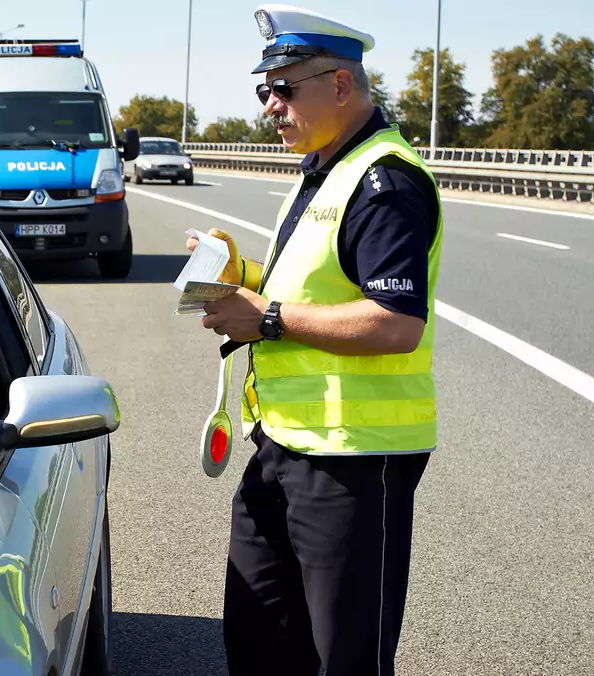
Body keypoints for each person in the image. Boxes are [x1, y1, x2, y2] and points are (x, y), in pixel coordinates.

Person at [190, 5, 444, 675]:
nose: (270, 105)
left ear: (340, 85)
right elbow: (314, 285)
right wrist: (235, 275)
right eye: (263, 90)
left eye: (284, 88)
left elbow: (395, 322)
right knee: (261, 643)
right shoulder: (325, 167)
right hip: (284, 444)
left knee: (344, 659)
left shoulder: (383, 182)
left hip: (353, 459)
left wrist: (266, 318)